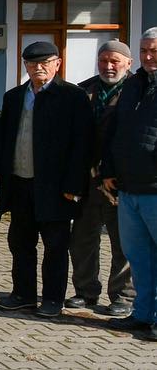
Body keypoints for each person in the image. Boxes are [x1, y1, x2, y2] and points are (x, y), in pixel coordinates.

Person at [0, 41, 89, 317]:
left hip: (56, 188)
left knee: (55, 246)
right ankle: (23, 294)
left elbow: (81, 145)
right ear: (25, 65)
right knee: (20, 243)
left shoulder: (72, 97)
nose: (38, 67)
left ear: (57, 64)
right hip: (21, 182)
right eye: (32, 63)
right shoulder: (13, 97)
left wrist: (73, 185)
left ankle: (52, 299)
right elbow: (5, 141)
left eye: (45, 62)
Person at [70, 40, 135, 316]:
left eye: (115, 61)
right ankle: (85, 292)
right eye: (104, 61)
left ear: (128, 64)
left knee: (123, 242)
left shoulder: (138, 91)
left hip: (120, 182)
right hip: (87, 180)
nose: (108, 66)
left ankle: (123, 296)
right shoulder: (84, 90)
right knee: (82, 238)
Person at [102, 28, 157, 341]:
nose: (149, 57)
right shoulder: (134, 84)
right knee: (138, 257)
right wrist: (109, 169)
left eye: (155, 51)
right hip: (128, 188)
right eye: (145, 51)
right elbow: (115, 131)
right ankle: (142, 314)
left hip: (154, 187)